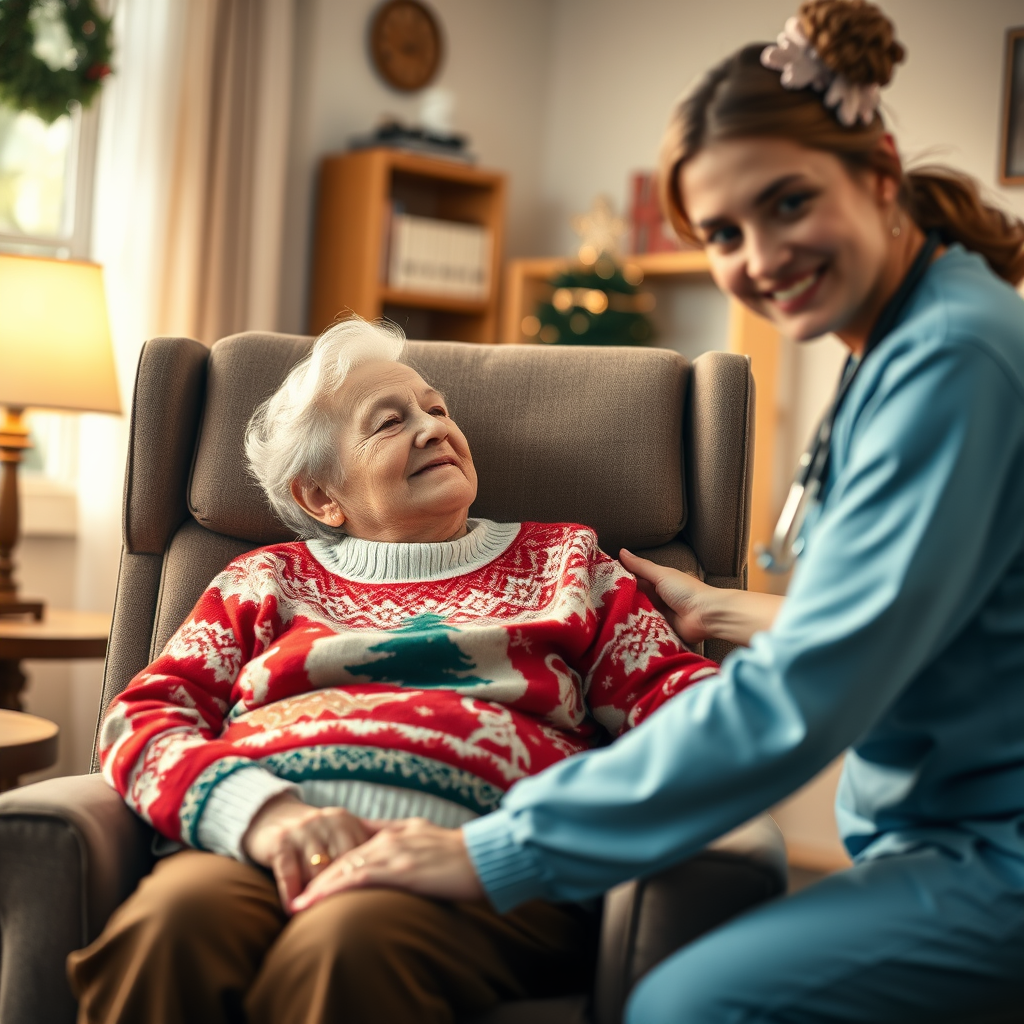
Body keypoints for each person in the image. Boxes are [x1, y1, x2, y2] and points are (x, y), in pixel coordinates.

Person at [311, 3, 1024, 1022]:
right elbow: (916, 612)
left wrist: (499, 846)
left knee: (686, 1005)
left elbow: (813, 688)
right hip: (941, 826)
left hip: (991, 843)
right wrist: (725, 610)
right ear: (316, 498)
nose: (761, 257)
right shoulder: (907, 336)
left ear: (878, 166)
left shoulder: (949, 361)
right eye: (724, 233)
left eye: (788, 203)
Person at [67, 317, 722, 1024]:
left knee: (347, 944)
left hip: (468, 864)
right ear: (322, 496)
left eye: (437, 410)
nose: (434, 428)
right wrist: (260, 815)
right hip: (260, 845)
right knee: (173, 925)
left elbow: (691, 718)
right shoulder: (263, 580)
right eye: (390, 422)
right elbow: (138, 718)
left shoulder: (567, 565)